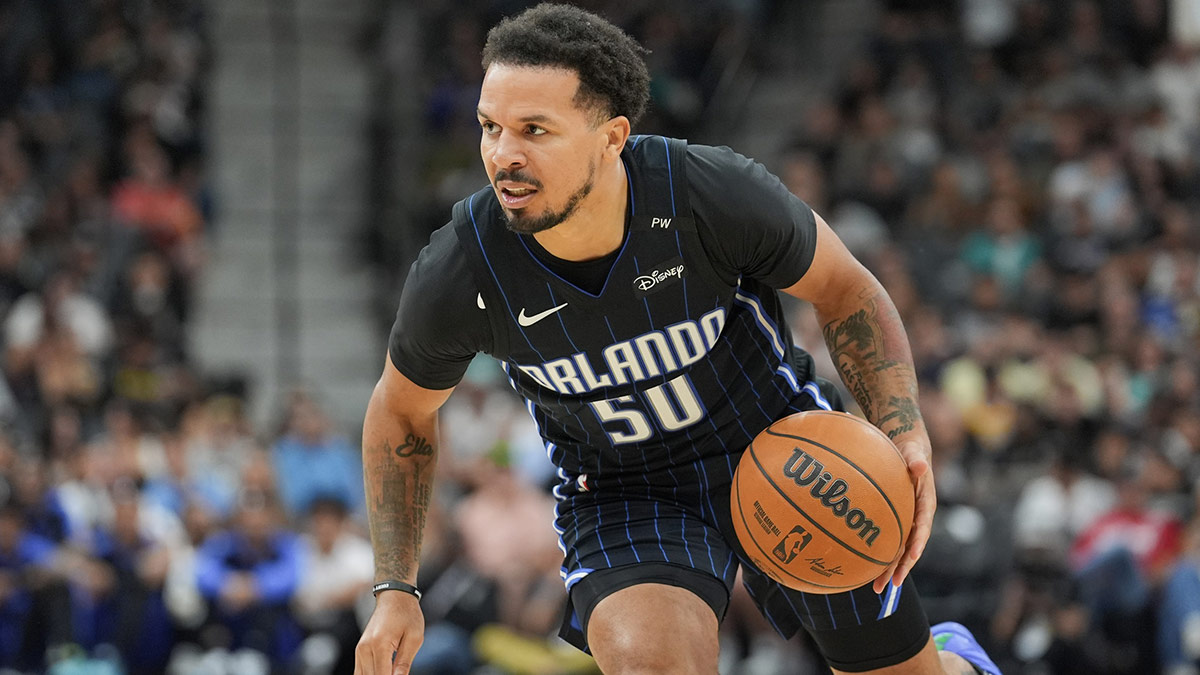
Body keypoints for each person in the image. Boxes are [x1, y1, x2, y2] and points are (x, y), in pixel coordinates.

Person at [355, 4, 1001, 675]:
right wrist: (397, 588)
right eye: (490, 127)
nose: (503, 154)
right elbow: (400, 410)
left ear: (612, 137)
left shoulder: (706, 193)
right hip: (624, 489)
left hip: (784, 448)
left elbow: (848, 289)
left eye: (534, 130)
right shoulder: (463, 268)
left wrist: (903, 427)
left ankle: (951, 659)